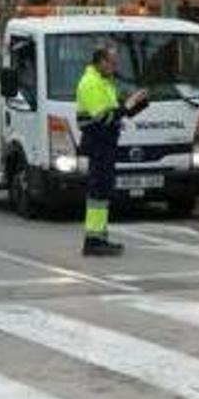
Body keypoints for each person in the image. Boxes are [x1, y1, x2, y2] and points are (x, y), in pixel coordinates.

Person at [76, 47, 147, 257]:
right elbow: (103, 117)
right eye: (112, 62)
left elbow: (115, 115)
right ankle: (93, 240)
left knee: (103, 190)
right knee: (99, 190)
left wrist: (136, 105)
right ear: (100, 62)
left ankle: (99, 236)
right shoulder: (91, 83)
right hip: (99, 143)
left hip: (105, 144)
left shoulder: (104, 82)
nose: (115, 67)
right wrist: (127, 106)